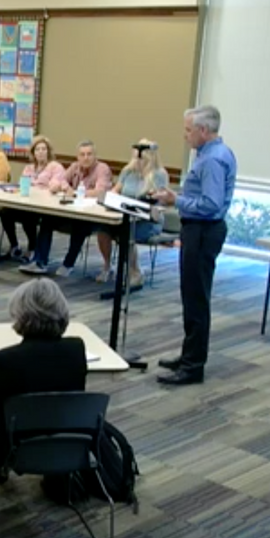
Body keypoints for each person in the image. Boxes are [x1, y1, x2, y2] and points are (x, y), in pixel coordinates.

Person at [0, 279, 87, 479]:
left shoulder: (6, 360)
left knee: (1, 413)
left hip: (16, 448)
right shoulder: (76, 348)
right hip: (65, 441)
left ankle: (2, 470)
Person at [152, 105, 236, 386]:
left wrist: (176, 201)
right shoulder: (211, 154)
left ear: (203, 130)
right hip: (199, 230)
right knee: (192, 296)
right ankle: (189, 354)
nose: (185, 135)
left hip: (203, 231)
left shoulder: (212, 160)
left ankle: (192, 366)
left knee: (196, 299)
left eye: (188, 130)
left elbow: (210, 205)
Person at [19, 141, 113, 277]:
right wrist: (63, 186)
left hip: (94, 216)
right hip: (73, 211)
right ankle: (40, 262)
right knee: (47, 219)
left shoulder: (102, 169)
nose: (85, 157)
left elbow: (100, 191)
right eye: (82, 154)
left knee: (80, 226)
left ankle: (69, 263)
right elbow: (61, 180)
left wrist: (75, 192)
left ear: (95, 156)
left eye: (89, 154)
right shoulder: (75, 167)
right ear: (78, 157)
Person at [94, 139, 169, 287]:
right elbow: (116, 190)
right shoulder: (127, 171)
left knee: (127, 233)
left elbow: (160, 200)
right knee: (103, 228)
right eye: (135, 156)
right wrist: (110, 198)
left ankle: (135, 271)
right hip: (125, 216)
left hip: (148, 220)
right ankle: (108, 266)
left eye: (140, 157)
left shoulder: (159, 174)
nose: (137, 160)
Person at [2, 135, 65, 261]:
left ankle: (32, 247)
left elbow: (55, 186)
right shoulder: (29, 168)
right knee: (5, 213)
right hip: (27, 201)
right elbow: (23, 184)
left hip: (45, 205)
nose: (41, 152)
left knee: (28, 217)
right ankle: (14, 246)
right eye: (37, 149)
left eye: (44, 149)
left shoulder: (55, 167)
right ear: (33, 153)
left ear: (48, 151)